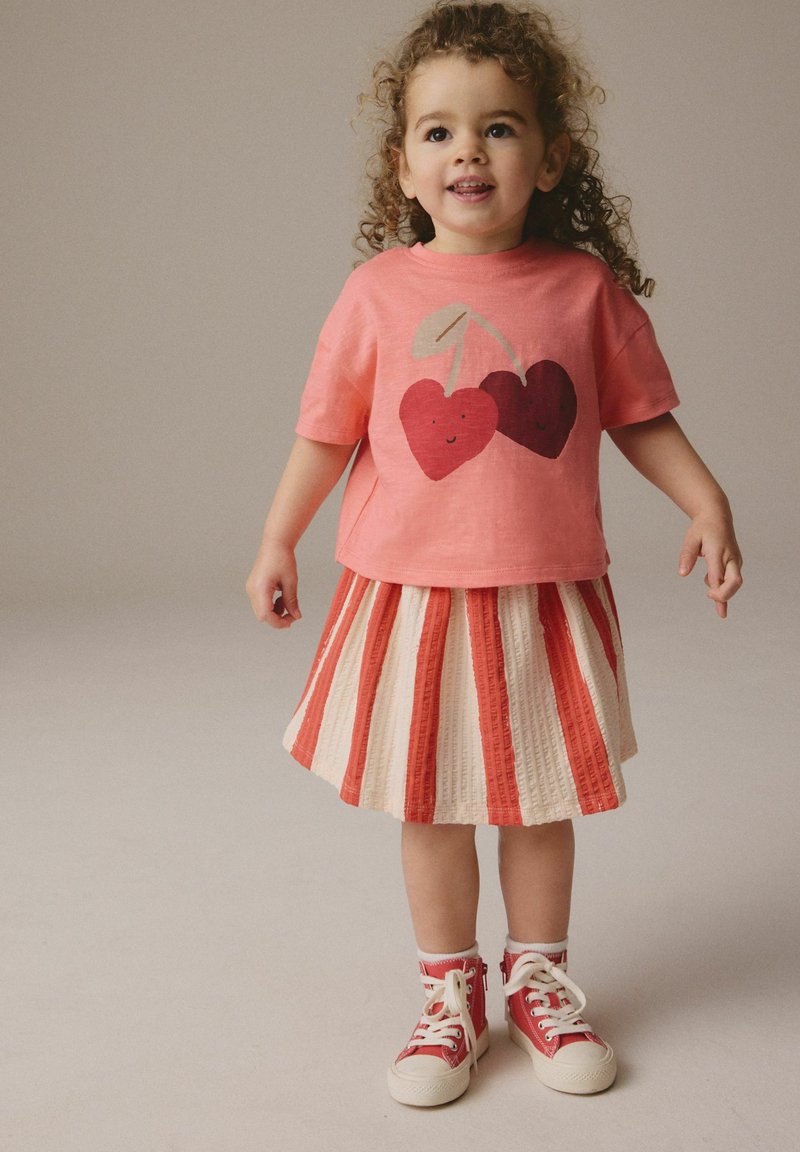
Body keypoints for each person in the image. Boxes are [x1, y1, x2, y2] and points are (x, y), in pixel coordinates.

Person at [246, 0, 742, 1108]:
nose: (467, 150)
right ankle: (450, 992)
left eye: (499, 127)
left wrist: (704, 499)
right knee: (429, 804)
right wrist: (279, 537)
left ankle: (538, 980)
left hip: (541, 594)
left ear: (550, 157)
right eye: (439, 131)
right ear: (404, 166)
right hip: (409, 596)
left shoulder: (582, 291)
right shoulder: (376, 295)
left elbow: (640, 417)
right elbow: (325, 432)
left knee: (535, 801)